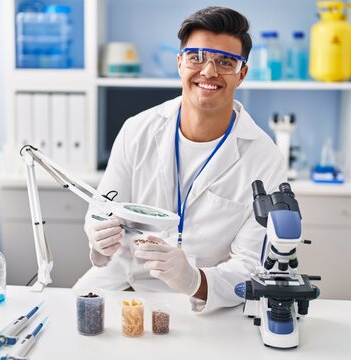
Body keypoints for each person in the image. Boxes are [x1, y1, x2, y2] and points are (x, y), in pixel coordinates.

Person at [74, 6, 286, 313]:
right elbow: (103, 207)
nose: (209, 71)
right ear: (179, 63)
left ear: (242, 74)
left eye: (225, 62)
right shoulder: (137, 129)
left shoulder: (265, 159)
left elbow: (252, 265)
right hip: (120, 280)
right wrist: (98, 238)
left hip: (202, 299)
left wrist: (194, 280)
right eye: (196, 57)